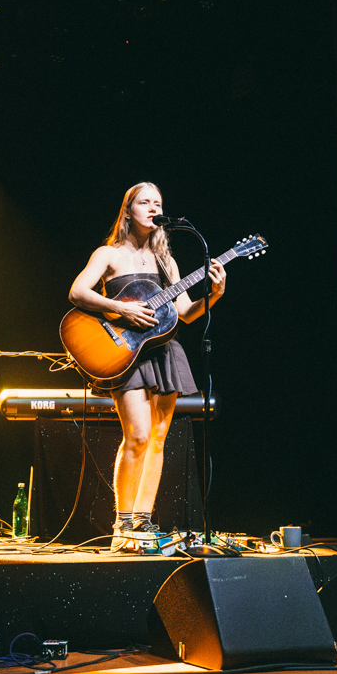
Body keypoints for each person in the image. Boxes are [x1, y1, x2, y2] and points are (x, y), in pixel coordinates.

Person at [68, 182, 226, 552]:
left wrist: (214, 295)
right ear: (128, 210)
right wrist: (121, 308)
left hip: (163, 351)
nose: (153, 208)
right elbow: (78, 292)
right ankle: (121, 525)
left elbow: (186, 313)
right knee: (137, 435)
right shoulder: (108, 254)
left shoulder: (166, 261)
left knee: (157, 440)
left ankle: (142, 523)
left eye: (158, 203)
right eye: (145, 202)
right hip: (126, 351)